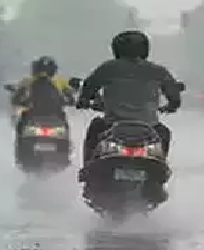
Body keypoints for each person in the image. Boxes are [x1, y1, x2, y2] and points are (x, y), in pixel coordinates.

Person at [75, 30, 182, 172]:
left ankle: (87, 170)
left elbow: (89, 86)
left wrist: (83, 100)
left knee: (95, 128)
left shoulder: (108, 68)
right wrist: (171, 106)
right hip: (149, 127)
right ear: (145, 49)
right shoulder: (158, 71)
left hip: (111, 125)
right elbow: (174, 95)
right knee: (164, 133)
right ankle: (161, 170)